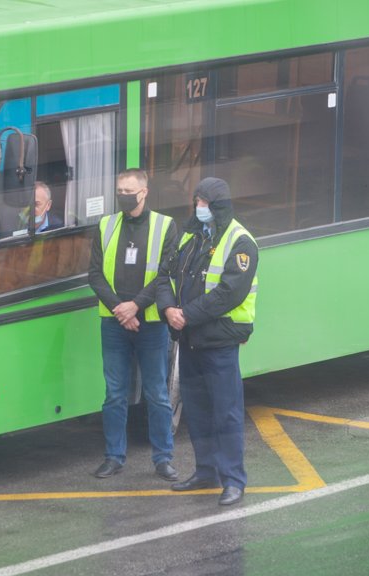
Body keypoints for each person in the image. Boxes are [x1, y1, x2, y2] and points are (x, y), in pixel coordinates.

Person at [156, 177, 258, 506]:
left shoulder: (241, 242)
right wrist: (168, 308)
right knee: (198, 410)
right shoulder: (190, 235)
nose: (198, 207)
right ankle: (205, 471)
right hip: (189, 339)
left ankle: (233, 480)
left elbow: (228, 294)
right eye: (196, 201)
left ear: (217, 207)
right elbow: (164, 275)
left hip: (219, 341)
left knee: (226, 413)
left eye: (204, 202)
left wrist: (186, 314)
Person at [88, 168, 179, 481]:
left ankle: (163, 459)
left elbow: (166, 275)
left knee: (157, 394)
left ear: (144, 192)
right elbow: (95, 275)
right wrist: (119, 309)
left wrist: (135, 306)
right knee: (114, 393)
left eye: (128, 191)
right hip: (114, 323)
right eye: (119, 190)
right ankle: (114, 457)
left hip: (151, 324)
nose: (123, 196)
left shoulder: (165, 226)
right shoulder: (105, 225)